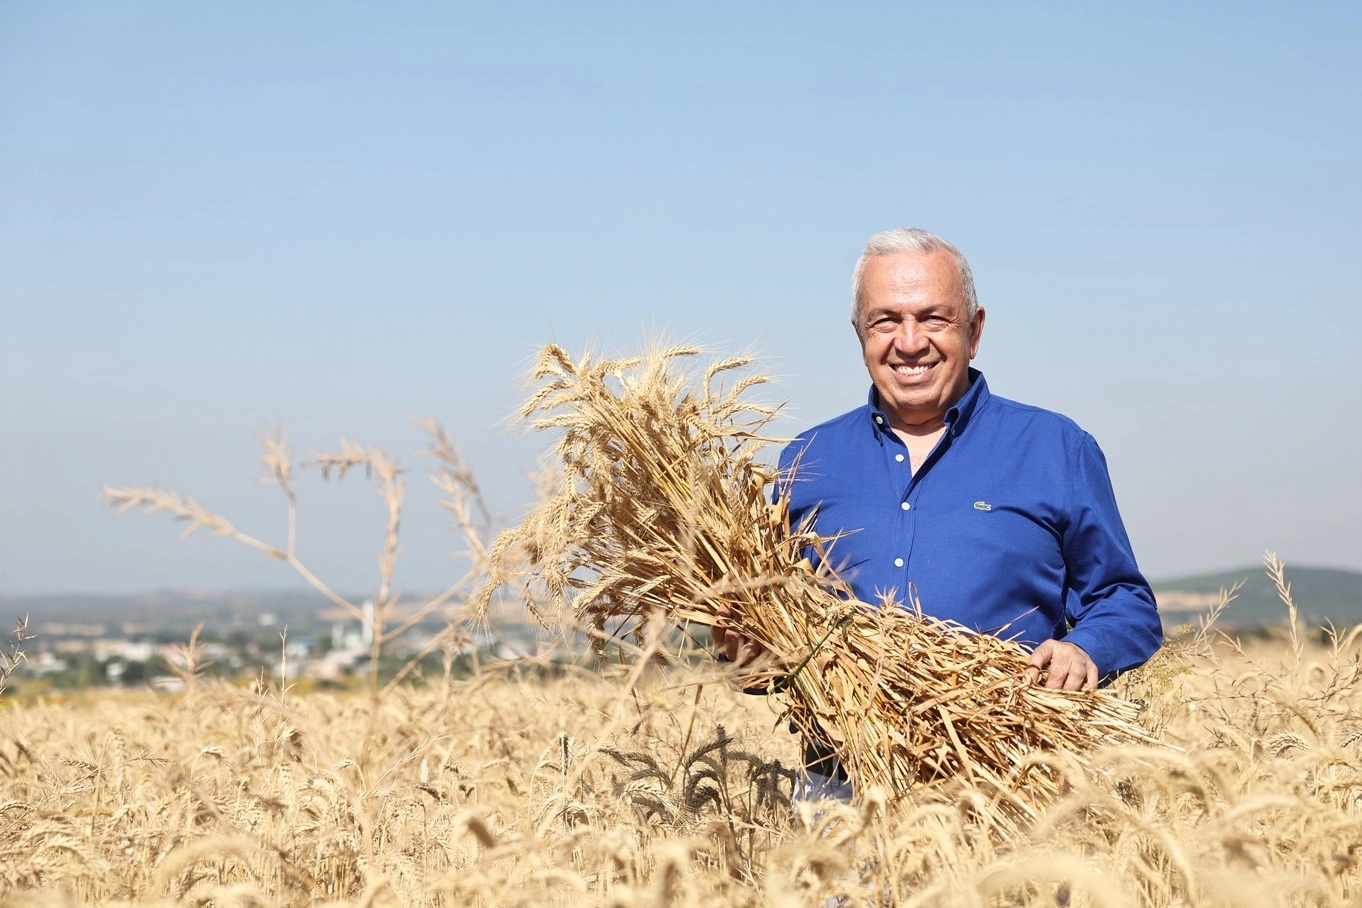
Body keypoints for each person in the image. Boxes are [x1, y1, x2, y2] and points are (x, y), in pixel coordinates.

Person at [714, 227, 1162, 800]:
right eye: (885, 320)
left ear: (974, 331)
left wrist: (1085, 649)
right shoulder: (805, 459)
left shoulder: (1056, 447)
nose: (909, 342)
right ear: (859, 335)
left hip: (1011, 787)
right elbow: (770, 644)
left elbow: (1126, 601)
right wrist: (745, 652)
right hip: (842, 794)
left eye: (934, 318)